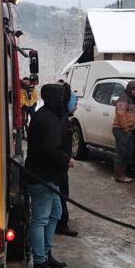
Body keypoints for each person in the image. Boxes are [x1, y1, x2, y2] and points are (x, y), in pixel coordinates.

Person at [24, 83, 69, 268]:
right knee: (41, 219)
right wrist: (66, 159)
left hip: (49, 176)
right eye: (63, 98)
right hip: (41, 176)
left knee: (55, 213)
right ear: (54, 99)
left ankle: (46, 253)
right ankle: (40, 264)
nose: (66, 102)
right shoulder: (48, 119)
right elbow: (51, 149)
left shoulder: (48, 115)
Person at [56, 82, 79, 237]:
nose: (76, 105)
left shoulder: (64, 119)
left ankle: (59, 221)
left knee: (60, 194)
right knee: (62, 194)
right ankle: (61, 223)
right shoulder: (62, 120)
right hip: (58, 166)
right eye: (75, 102)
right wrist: (66, 159)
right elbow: (55, 145)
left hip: (60, 164)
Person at [111, 81, 135, 183]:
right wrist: (125, 128)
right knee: (121, 152)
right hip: (120, 129)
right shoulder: (124, 98)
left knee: (128, 152)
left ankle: (122, 174)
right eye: (134, 89)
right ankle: (119, 175)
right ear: (129, 89)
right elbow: (120, 114)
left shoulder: (133, 100)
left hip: (128, 130)